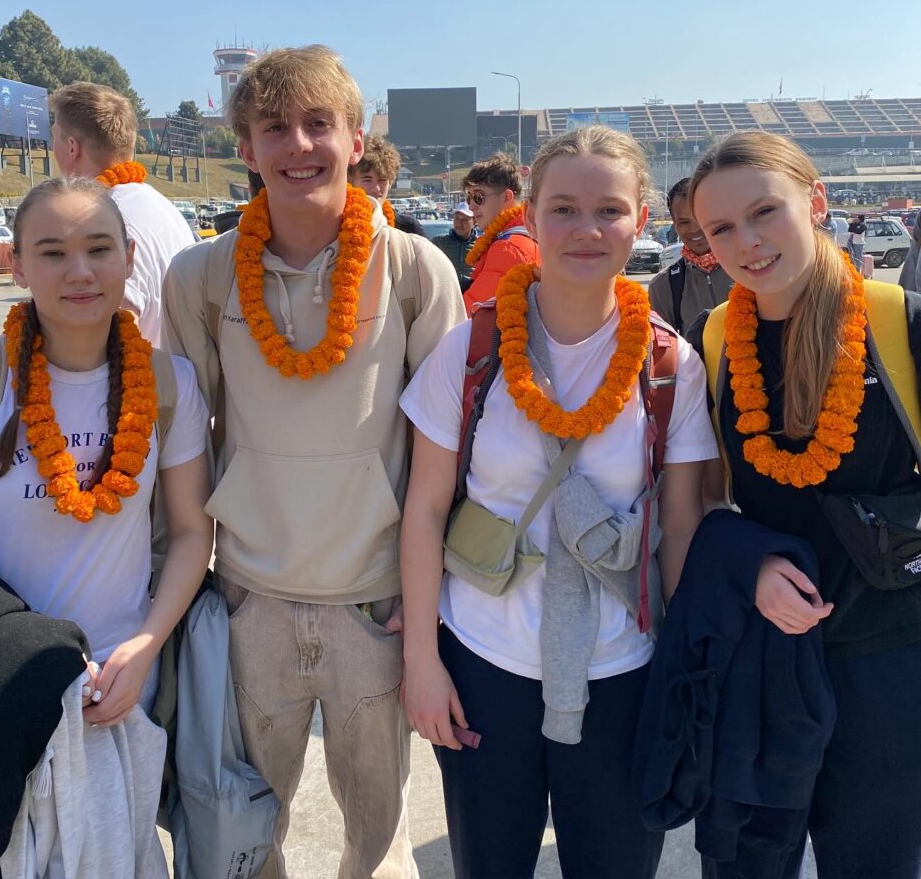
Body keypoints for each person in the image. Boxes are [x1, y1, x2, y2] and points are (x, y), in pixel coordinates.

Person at [163, 44, 464, 879]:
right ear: (246, 149)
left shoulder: (415, 269)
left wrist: (431, 601)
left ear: (356, 139)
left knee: (379, 843)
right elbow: (183, 444)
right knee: (242, 833)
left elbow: (454, 452)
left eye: (318, 124)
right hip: (250, 597)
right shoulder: (201, 277)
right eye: (274, 128)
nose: (298, 145)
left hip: (376, 605)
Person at [398, 126, 717, 879]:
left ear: (643, 219)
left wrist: (683, 675)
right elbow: (424, 508)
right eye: (564, 208)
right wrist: (422, 662)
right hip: (484, 661)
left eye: (608, 209)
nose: (586, 229)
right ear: (530, 214)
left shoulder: (671, 362)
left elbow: (681, 526)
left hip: (621, 671)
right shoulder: (470, 348)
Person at [0, 176, 213, 871]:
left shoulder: (172, 386)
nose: (79, 271)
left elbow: (192, 533)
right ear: (16, 262)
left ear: (129, 256)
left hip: (113, 695)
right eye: (52, 251)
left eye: (99, 248)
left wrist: (145, 647)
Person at [688, 131, 921, 879]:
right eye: (722, 228)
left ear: (816, 202)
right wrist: (752, 569)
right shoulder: (717, 338)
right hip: (761, 663)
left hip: (887, 663)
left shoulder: (900, 324)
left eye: (765, 212)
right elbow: (702, 503)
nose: (747, 243)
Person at [50, 83, 194, 348]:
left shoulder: (103, 219)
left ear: (72, 148)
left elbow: (121, 326)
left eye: (54, 137)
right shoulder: (162, 206)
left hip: (143, 385)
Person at [648, 177, 733, 337]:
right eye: (684, 222)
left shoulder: (748, 267)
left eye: (701, 217)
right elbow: (664, 351)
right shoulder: (664, 286)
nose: (695, 229)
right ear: (675, 225)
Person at [460, 152, 539, 314]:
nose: (471, 206)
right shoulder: (528, 235)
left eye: (479, 197)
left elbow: (467, 312)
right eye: (469, 198)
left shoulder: (508, 248)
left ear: (506, 198)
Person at [349, 134, 426, 235]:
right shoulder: (334, 226)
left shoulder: (409, 227)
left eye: (382, 180)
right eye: (367, 180)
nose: (376, 189)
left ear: (390, 183)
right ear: (350, 180)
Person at [430, 201, 476, 292]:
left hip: (473, 295)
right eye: (457, 218)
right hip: (447, 293)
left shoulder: (482, 245)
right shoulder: (439, 243)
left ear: (474, 221)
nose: (459, 223)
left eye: (465, 219)